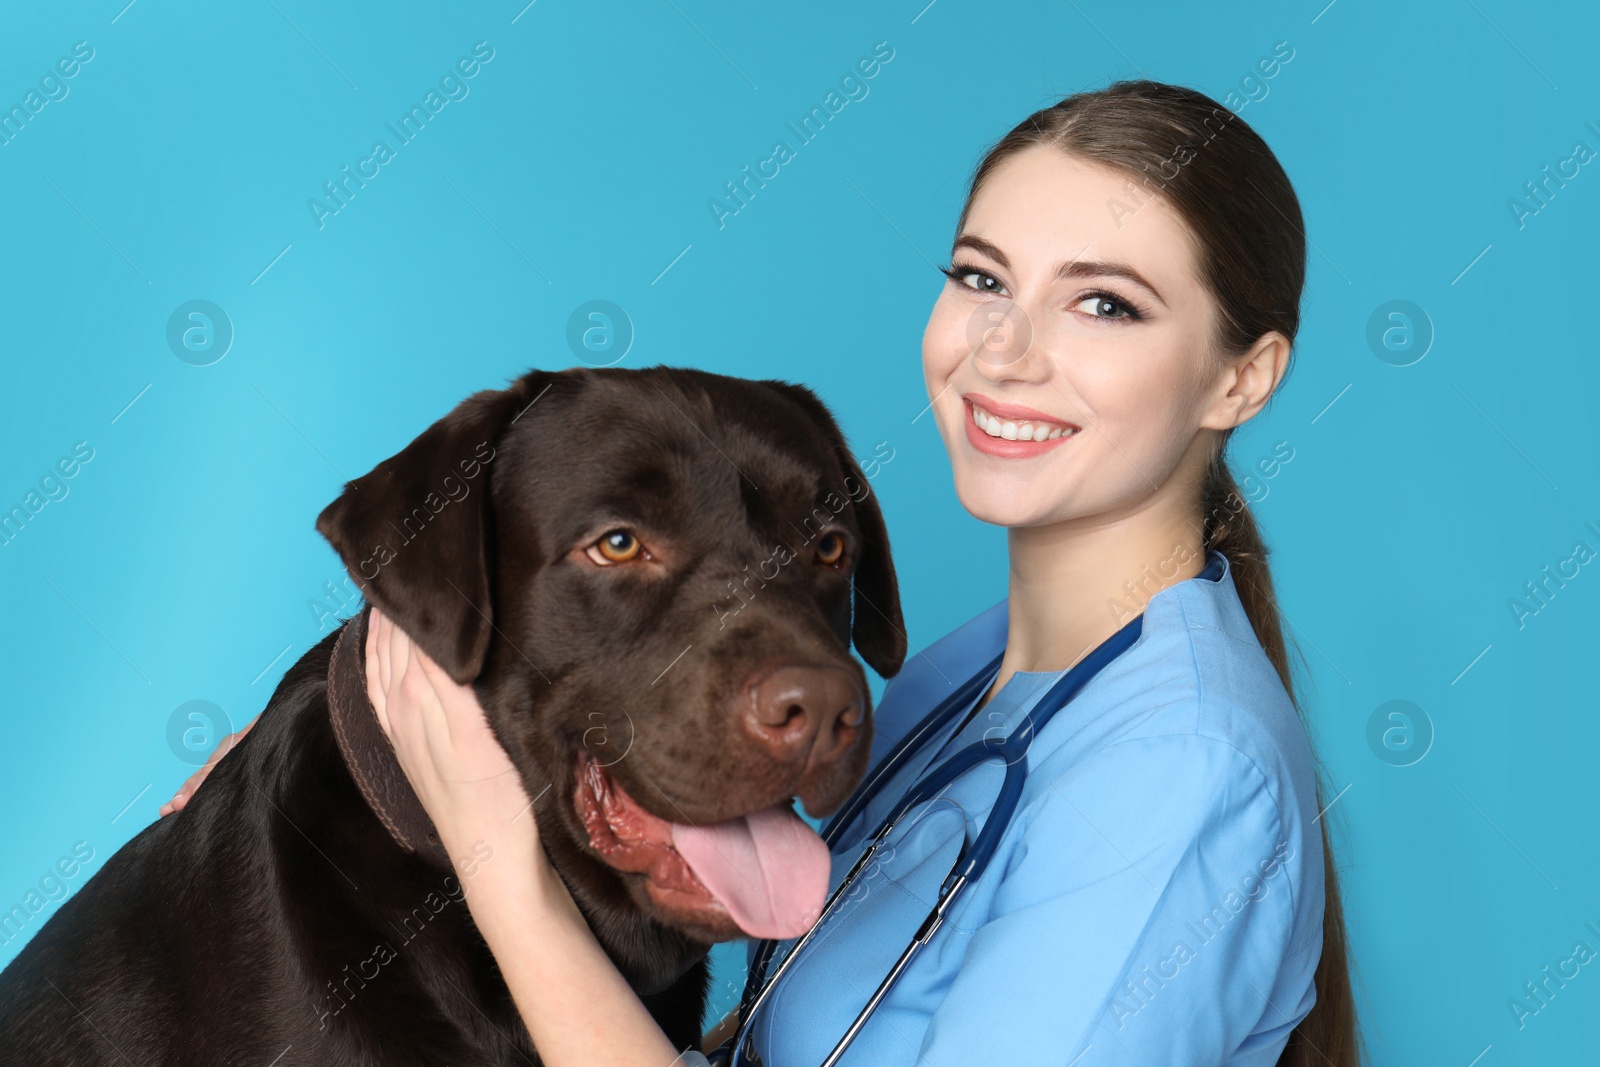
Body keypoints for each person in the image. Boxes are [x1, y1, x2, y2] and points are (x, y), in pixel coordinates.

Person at [165, 79, 1360, 1065]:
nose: (1008, 352)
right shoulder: (968, 679)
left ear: (1240, 379)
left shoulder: (1181, 767)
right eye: (983, 279)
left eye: (1104, 303)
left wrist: (501, 876)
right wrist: (331, 742)